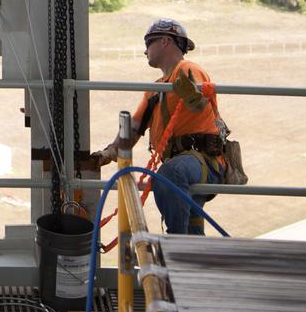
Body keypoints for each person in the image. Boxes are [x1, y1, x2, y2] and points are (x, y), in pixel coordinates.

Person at [93, 18, 226, 235]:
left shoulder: (187, 69)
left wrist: (192, 97)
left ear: (165, 41)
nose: (145, 52)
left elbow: (200, 105)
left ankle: (176, 243)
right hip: (183, 164)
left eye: (148, 44)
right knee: (192, 228)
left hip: (202, 161)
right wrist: (110, 151)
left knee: (169, 175)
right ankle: (187, 253)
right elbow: (135, 126)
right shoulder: (155, 89)